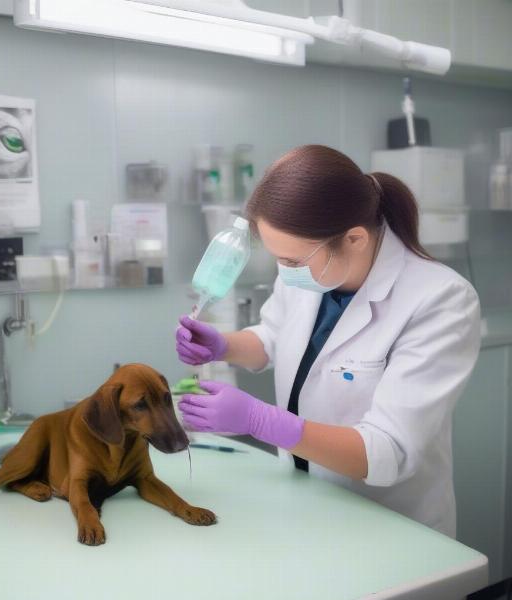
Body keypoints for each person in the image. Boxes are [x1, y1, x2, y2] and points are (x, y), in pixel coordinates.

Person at [176, 145, 480, 538]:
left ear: (354, 239)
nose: (285, 271)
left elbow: (387, 451)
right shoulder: (312, 269)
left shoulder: (440, 300)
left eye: (292, 261)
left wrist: (260, 420)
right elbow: (273, 336)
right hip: (303, 500)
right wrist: (223, 345)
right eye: (279, 259)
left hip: (389, 527)